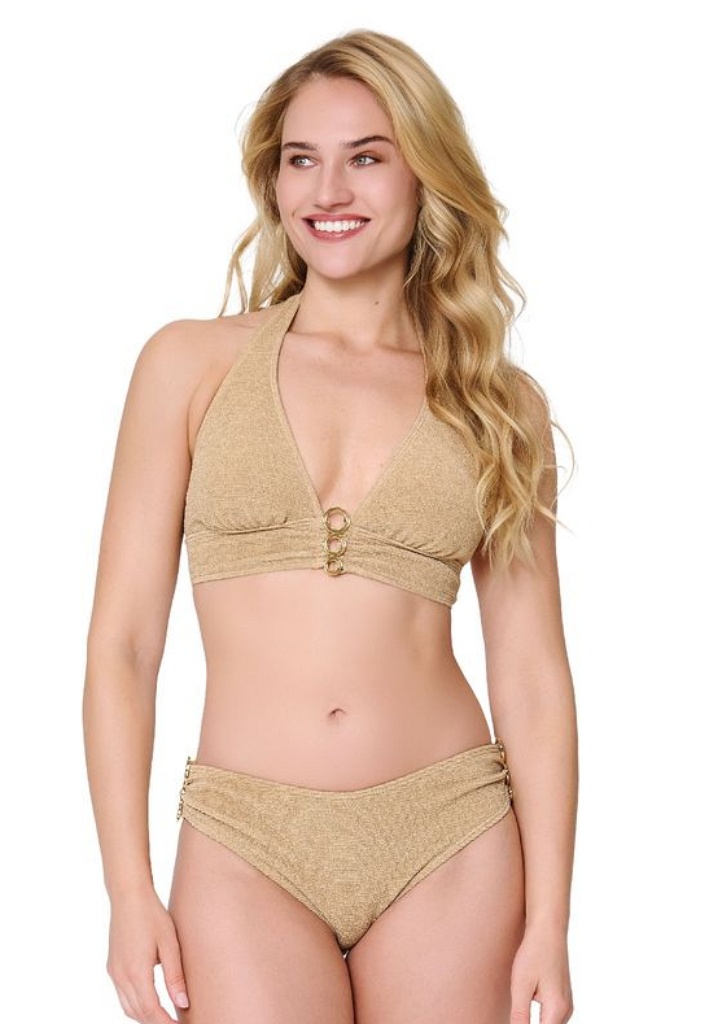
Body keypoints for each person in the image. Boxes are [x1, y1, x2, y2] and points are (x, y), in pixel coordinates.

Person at [83, 28, 578, 1024]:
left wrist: (550, 922)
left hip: (448, 833)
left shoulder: (495, 403)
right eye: (301, 160)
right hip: (245, 838)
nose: (329, 191)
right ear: (272, 182)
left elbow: (530, 676)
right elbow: (124, 646)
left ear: (423, 173)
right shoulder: (187, 366)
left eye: (366, 157)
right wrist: (127, 891)